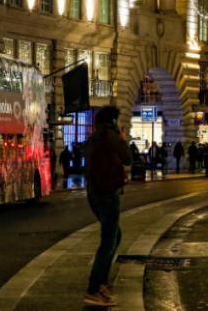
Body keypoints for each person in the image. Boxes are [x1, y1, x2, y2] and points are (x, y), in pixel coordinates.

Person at [84, 106, 132, 307]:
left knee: (115, 236)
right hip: (107, 195)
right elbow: (128, 157)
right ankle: (94, 289)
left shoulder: (94, 137)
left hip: (94, 193)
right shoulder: (110, 136)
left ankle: (102, 283)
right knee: (108, 242)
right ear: (112, 120)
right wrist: (122, 138)